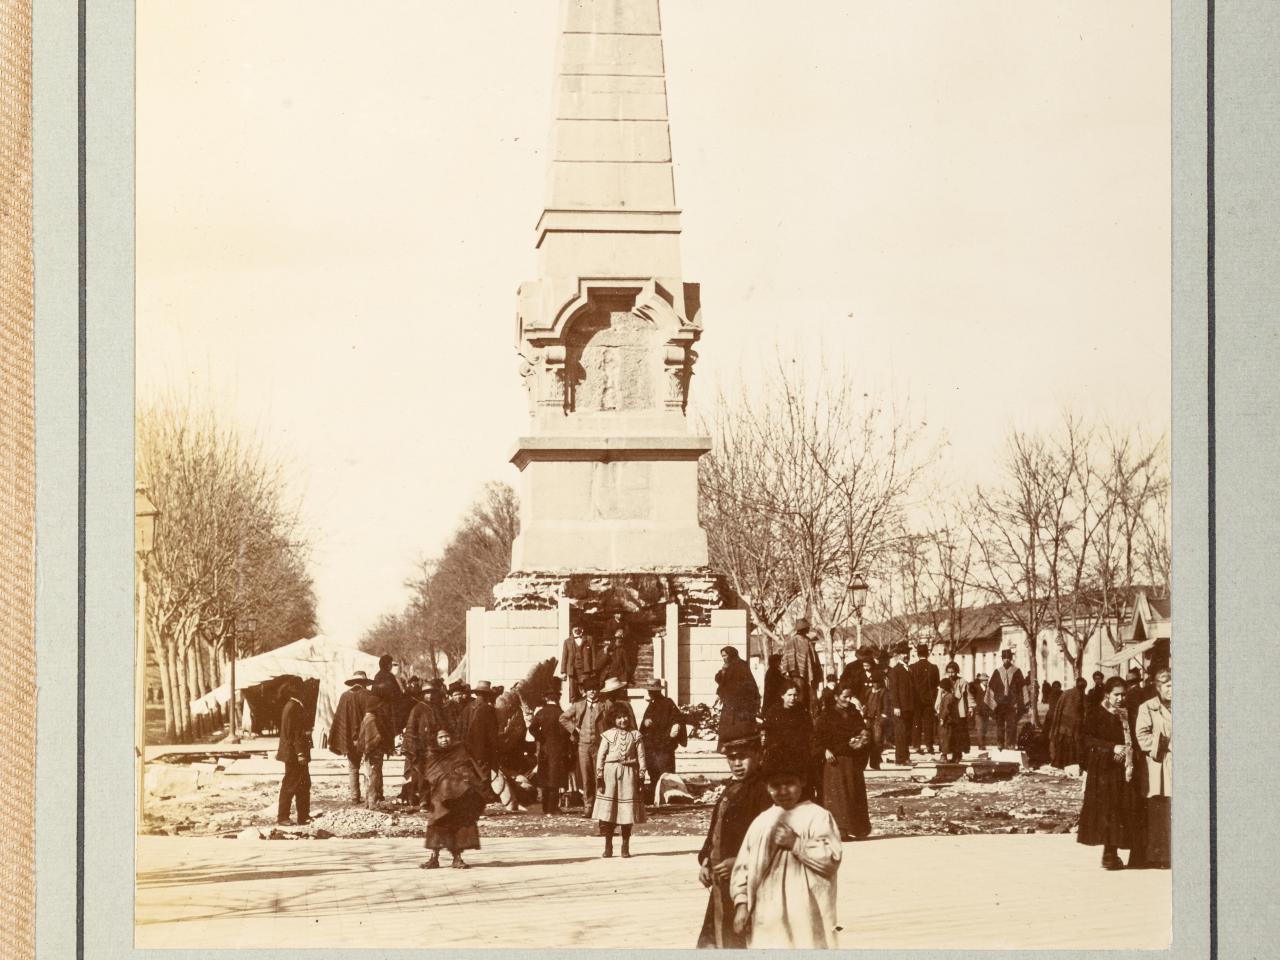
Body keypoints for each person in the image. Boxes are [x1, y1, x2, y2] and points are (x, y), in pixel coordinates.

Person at [729, 754, 842, 949]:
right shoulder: (761, 821)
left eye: (789, 783)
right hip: (766, 913)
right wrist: (741, 904)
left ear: (802, 781)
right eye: (775, 785)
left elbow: (831, 859)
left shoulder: (817, 817)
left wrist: (796, 844)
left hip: (805, 912)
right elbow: (743, 867)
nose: (783, 791)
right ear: (767, 786)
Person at [696, 721, 772, 950]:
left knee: (742, 939)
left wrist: (739, 863)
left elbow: (768, 842)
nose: (736, 763)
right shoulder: (733, 788)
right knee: (720, 937)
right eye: (731, 758)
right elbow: (716, 828)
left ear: (759, 755)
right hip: (722, 883)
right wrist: (707, 860)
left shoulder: (763, 792)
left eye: (743, 757)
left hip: (749, 885)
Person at [1077, 677, 1135, 869]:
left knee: (1119, 810)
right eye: (1116, 694)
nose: (1120, 698)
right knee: (1107, 811)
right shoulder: (1096, 714)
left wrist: (1125, 751)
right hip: (1102, 771)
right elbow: (1086, 739)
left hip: (1121, 771)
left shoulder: (1125, 715)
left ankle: (1113, 851)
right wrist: (1111, 748)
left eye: (1123, 695)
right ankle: (1108, 854)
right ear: (1107, 694)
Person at [421, 727, 490, 870]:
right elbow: (428, 776)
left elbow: (472, 771)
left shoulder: (460, 752)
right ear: (436, 739)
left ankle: (457, 859)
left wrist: (463, 781)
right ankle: (434, 858)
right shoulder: (432, 754)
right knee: (437, 825)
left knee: (458, 825)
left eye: (446, 736)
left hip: (459, 797)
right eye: (440, 737)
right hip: (439, 797)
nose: (444, 740)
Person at [814, 685, 871, 840]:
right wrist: (824, 750)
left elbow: (863, 730)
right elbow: (818, 737)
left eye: (849, 697)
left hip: (853, 758)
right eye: (844, 696)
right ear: (836, 697)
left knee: (854, 793)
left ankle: (858, 828)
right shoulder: (827, 715)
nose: (847, 700)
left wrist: (862, 737)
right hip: (835, 761)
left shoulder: (854, 713)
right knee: (838, 796)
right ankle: (840, 830)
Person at [593, 708, 646, 858]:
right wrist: (600, 777)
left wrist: (641, 776)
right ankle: (608, 845)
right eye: (619, 718)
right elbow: (601, 757)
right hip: (610, 773)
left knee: (627, 811)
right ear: (613, 720)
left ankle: (625, 845)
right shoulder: (608, 735)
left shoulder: (635, 735)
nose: (623, 720)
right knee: (609, 812)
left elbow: (641, 757)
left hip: (629, 774)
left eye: (625, 717)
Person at [1134, 667, 1172, 870]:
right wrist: (1163, 745)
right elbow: (1142, 737)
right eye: (1167, 686)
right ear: (1158, 687)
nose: (1172, 689)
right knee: (1160, 810)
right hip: (1160, 766)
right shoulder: (1147, 708)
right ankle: (1161, 856)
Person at [560, 682, 609, 815]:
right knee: (586, 777)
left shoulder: (605, 705)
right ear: (585, 691)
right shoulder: (578, 705)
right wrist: (574, 730)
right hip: (583, 745)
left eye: (594, 688)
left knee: (600, 775)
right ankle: (588, 806)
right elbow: (563, 718)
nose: (592, 691)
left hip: (600, 745)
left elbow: (611, 721)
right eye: (589, 689)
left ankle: (601, 807)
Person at [327, 670, 371, 805]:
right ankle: (371, 797)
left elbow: (339, 720)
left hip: (349, 739)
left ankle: (354, 797)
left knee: (353, 767)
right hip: (366, 737)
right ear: (364, 682)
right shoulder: (368, 695)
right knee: (369, 766)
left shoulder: (344, 696)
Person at [639, 680, 686, 803]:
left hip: (664, 745)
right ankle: (656, 797)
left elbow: (677, 718)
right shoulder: (651, 704)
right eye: (650, 691)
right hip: (651, 745)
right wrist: (645, 723)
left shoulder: (667, 703)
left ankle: (668, 797)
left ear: (659, 691)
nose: (651, 693)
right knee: (653, 771)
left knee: (665, 772)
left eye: (653, 691)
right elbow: (644, 724)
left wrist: (675, 727)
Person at [529, 682, 572, 815]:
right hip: (558, 750)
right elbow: (567, 732)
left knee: (544, 777)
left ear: (546, 698)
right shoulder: (561, 713)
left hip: (544, 749)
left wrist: (541, 738)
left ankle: (545, 807)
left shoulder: (541, 712)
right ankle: (553, 807)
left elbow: (532, 728)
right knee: (555, 778)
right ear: (557, 698)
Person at [275, 679, 312, 825]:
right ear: (298, 691)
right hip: (294, 755)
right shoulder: (293, 707)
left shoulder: (293, 706)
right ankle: (282, 817)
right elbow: (295, 733)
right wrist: (300, 753)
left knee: (303, 784)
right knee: (290, 785)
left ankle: (303, 816)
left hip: (296, 753)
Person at [715, 647, 761, 748]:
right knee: (728, 726)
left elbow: (748, 684)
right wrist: (723, 671)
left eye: (725, 655)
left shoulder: (741, 665)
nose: (724, 658)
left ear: (731, 654)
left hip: (742, 703)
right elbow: (719, 679)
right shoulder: (727, 666)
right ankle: (727, 746)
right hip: (730, 702)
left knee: (740, 726)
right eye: (722, 656)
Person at [778, 619, 823, 716]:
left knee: (811, 698)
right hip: (797, 675)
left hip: (809, 676)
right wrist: (790, 671)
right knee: (799, 698)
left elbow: (814, 660)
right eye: (806, 628)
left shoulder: (808, 641)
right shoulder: (793, 641)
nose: (807, 630)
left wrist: (817, 674)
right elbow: (787, 658)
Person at [986, 649, 1027, 750]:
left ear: (1011, 658)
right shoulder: (997, 672)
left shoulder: (1017, 671)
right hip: (1000, 704)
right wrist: (991, 703)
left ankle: (1010, 743)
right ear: (1002, 659)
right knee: (1000, 724)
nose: (1007, 660)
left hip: (1012, 704)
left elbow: (1023, 687)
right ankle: (1000, 743)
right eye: (1004, 658)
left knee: (1012, 724)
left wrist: (1025, 701)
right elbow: (991, 688)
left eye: (1008, 658)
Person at [461, 680, 501, 776]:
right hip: (483, 754)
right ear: (487, 695)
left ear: (477, 693)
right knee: (484, 781)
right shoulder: (489, 709)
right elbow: (493, 736)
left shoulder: (467, 708)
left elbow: (461, 730)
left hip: (466, 752)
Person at [1048, 676, 1089, 769]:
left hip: (1065, 724)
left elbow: (1058, 708)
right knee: (1073, 746)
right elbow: (1086, 712)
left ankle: (1061, 763)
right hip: (1075, 726)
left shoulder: (1066, 693)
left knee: (1064, 744)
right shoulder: (1082, 695)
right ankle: (1071, 764)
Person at [935, 662, 971, 763]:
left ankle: (957, 754)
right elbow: (939, 695)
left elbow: (969, 696)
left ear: (957, 672)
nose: (951, 674)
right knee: (946, 734)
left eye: (953, 672)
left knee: (958, 734)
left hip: (959, 712)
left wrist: (971, 707)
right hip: (948, 713)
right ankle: (945, 754)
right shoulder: (945, 682)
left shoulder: (963, 682)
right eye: (949, 672)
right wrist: (937, 707)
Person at [357, 694, 389, 808]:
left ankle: (370, 801)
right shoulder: (372, 719)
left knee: (370, 776)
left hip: (369, 753)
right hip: (373, 753)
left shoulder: (367, 717)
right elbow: (374, 738)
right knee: (373, 777)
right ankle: (373, 802)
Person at [885, 642, 913, 765]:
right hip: (899, 707)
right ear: (898, 655)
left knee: (906, 733)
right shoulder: (895, 670)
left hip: (908, 707)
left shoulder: (909, 669)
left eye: (907, 653)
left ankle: (906, 757)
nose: (906, 655)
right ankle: (900, 759)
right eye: (903, 653)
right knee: (900, 733)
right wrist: (896, 706)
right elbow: (893, 690)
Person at [908, 643, 940, 755]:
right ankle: (929, 746)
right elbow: (936, 684)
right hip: (929, 700)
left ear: (917, 654)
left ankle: (916, 745)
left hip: (916, 700)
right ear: (927, 654)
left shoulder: (911, 668)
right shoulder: (934, 668)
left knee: (916, 723)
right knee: (928, 723)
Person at [560, 625, 597, 702]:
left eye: (579, 627)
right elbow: (564, 657)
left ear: (582, 629)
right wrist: (563, 671)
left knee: (586, 689)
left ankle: (586, 708)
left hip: (585, 670)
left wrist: (594, 669)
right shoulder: (567, 641)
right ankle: (574, 708)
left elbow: (593, 655)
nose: (577, 629)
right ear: (572, 629)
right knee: (573, 692)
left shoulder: (589, 639)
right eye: (575, 628)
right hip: (573, 670)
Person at [607, 611, 637, 685]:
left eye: (620, 613)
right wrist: (615, 636)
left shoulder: (624, 622)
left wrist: (622, 634)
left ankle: (628, 676)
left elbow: (628, 632)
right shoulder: (610, 622)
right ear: (614, 614)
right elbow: (607, 633)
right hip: (613, 643)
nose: (619, 615)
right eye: (617, 613)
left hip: (623, 643)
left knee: (626, 660)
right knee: (614, 660)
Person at [970, 673, 991, 749]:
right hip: (978, 711)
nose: (986, 681)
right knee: (980, 728)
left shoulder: (988, 689)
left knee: (985, 728)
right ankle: (981, 745)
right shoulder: (976, 688)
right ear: (981, 681)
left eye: (987, 680)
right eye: (984, 680)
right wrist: (973, 706)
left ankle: (983, 743)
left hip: (986, 711)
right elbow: (971, 695)